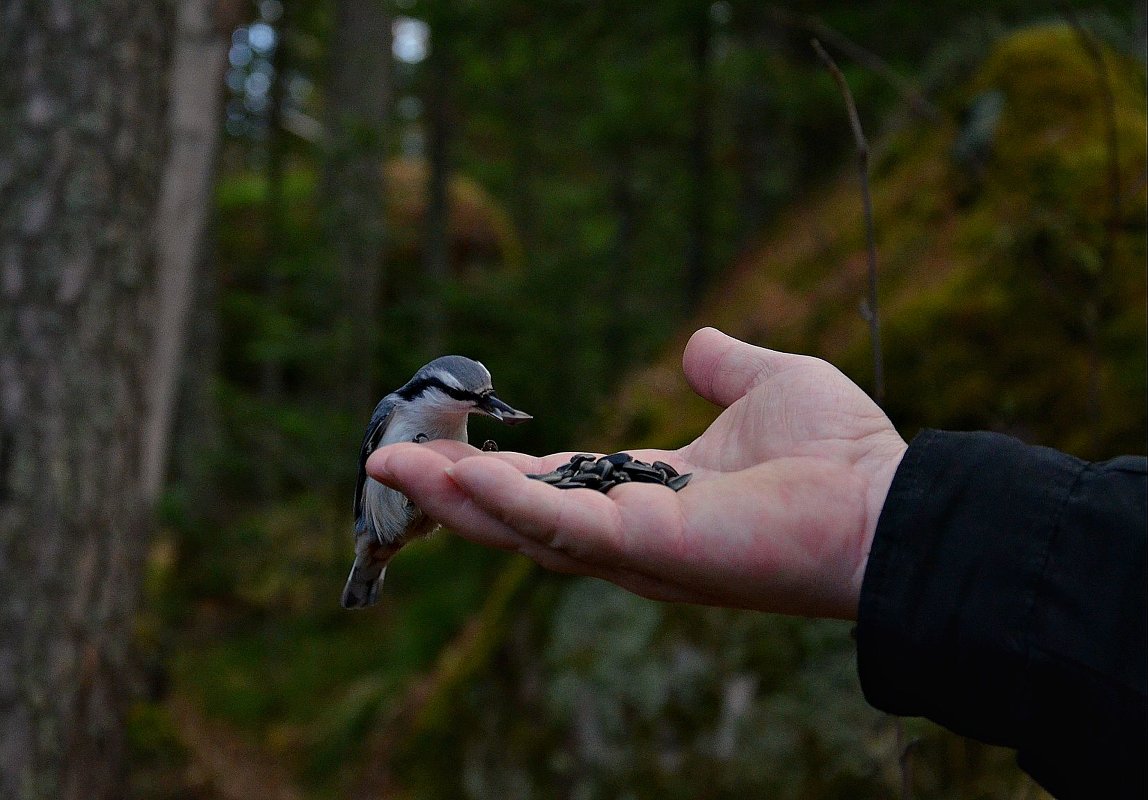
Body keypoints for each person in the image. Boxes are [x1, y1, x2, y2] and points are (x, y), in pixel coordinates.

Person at [366, 326, 1146, 799]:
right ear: (422, 391)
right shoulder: (394, 419)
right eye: (460, 396)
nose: (477, 406)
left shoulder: (461, 418)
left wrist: (883, 515)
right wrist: (888, 512)